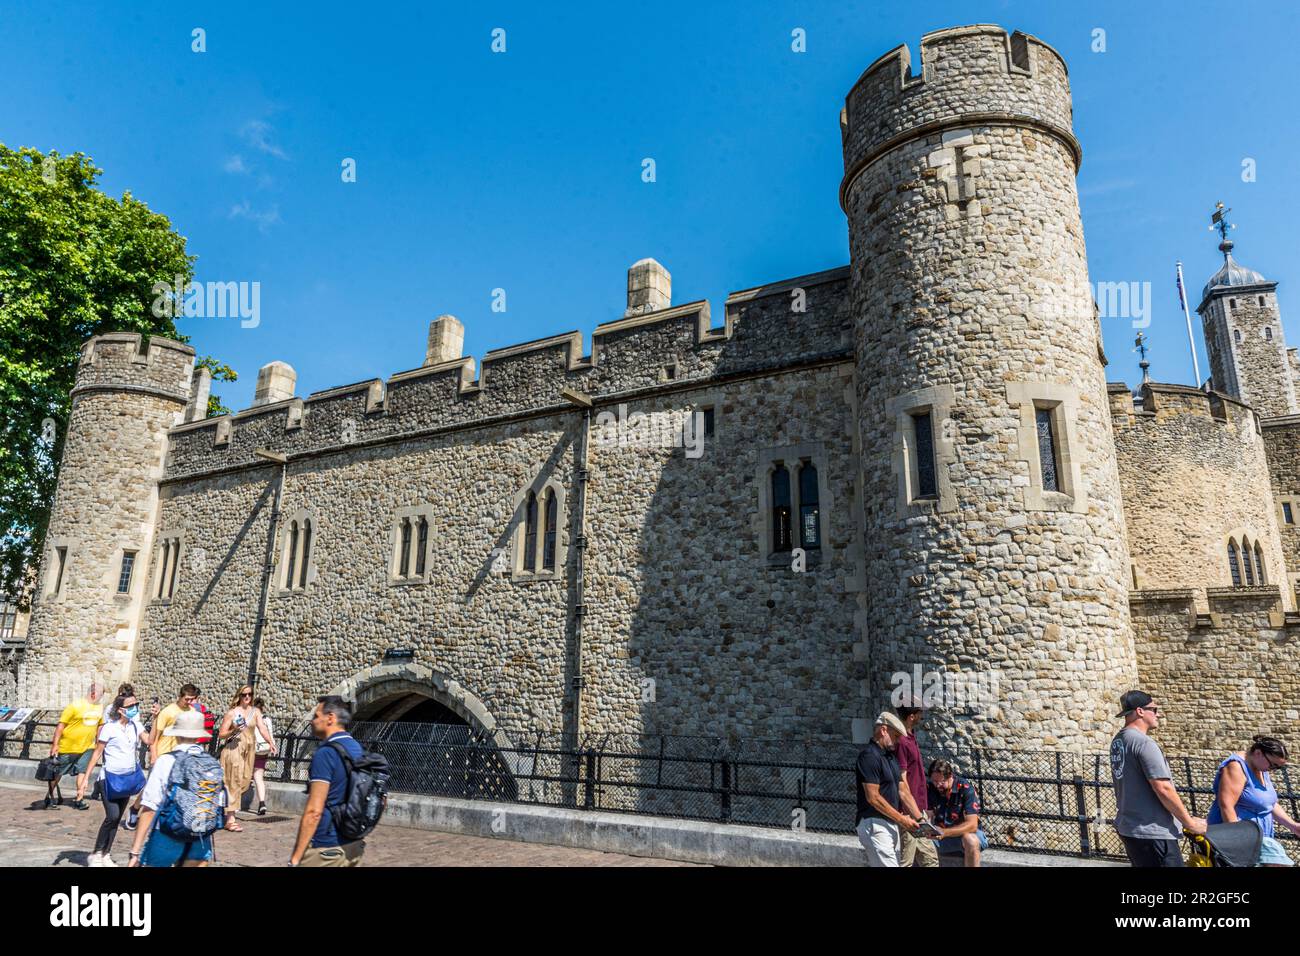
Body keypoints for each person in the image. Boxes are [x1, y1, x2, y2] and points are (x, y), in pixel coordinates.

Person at [1110, 690, 1206, 867]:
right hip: (1153, 832)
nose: (1158, 714)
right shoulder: (1144, 743)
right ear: (1140, 711)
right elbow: (1163, 788)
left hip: (1130, 828)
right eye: (1154, 709)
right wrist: (1190, 823)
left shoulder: (1119, 741)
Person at [127, 710, 221, 867]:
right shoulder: (212, 763)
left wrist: (135, 852)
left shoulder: (166, 761)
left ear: (176, 735)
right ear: (199, 736)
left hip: (167, 834)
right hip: (200, 836)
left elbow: (150, 807)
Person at [289, 696, 366, 867]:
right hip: (353, 844)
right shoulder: (357, 748)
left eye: (316, 716)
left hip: (325, 847)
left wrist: (295, 858)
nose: (312, 721)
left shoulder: (326, 753)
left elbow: (314, 812)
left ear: (330, 718)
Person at [1207, 735, 1300, 867]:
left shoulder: (1261, 767)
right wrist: (1239, 842)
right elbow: (1226, 806)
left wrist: (1293, 826)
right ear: (1258, 753)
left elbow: (1268, 803)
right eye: (1273, 765)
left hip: (1259, 837)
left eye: (1278, 767)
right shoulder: (1236, 767)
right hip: (1242, 838)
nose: (1273, 770)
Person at [82, 691, 146, 866]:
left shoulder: (136, 726)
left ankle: (106, 854)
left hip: (127, 779)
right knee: (113, 815)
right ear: (120, 709)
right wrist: (86, 778)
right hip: (109, 779)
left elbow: (150, 740)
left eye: (136, 704)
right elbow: (97, 753)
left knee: (116, 819)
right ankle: (96, 854)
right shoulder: (109, 728)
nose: (134, 708)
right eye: (130, 706)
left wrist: (156, 719)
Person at [855, 711, 921, 867]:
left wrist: (921, 820)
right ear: (883, 730)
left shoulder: (890, 758)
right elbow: (873, 798)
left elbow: (903, 791)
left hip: (890, 823)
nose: (898, 741)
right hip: (874, 823)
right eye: (896, 736)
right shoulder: (869, 756)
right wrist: (902, 819)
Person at [218, 685, 275, 831]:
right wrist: (234, 730)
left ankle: (222, 810)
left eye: (250, 694)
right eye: (244, 695)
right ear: (239, 696)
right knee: (234, 781)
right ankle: (230, 819)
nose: (247, 697)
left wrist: (270, 742)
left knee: (244, 781)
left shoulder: (255, 712)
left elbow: (262, 728)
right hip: (234, 749)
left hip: (249, 750)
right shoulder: (232, 713)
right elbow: (221, 734)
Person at [46, 682, 104, 810]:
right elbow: (61, 725)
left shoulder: (99, 708)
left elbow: (100, 724)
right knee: (58, 773)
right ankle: (49, 797)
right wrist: (55, 744)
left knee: (82, 771)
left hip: (87, 747)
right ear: (93, 694)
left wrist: (98, 741)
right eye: (101, 695)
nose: (101, 698)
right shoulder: (74, 706)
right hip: (68, 747)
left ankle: (79, 798)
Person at [895, 702, 937, 867]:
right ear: (912, 716)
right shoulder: (902, 741)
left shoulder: (910, 737)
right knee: (907, 861)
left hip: (918, 811)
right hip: (910, 812)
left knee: (930, 860)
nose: (922, 716)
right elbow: (902, 778)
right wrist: (909, 811)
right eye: (920, 713)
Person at [927, 759, 986, 867]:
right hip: (941, 836)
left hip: (964, 834)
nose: (938, 785)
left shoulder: (965, 788)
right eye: (934, 781)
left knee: (971, 840)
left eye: (942, 782)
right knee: (919, 842)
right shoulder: (931, 788)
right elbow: (928, 816)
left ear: (950, 777)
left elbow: (972, 825)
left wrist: (945, 832)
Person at [150, 683, 199, 763]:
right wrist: (154, 756)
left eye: (191, 699)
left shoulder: (193, 711)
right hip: (164, 755)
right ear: (180, 696)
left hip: (182, 757)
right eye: (187, 699)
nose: (189, 702)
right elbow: (155, 736)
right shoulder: (167, 711)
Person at [251, 697, 275, 815]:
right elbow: (270, 733)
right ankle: (262, 803)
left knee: (243, 776)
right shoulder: (267, 719)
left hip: (252, 749)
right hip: (264, 750)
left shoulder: (251, 717)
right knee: (259, 778)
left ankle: (235, 805)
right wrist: (272, 745)